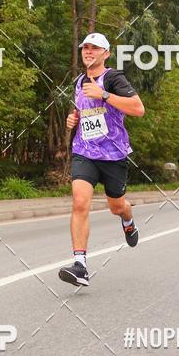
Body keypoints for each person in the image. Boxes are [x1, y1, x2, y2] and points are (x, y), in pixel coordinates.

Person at [58, 32, 145, 287]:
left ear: (105, 53)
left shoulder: (114, 78)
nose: (88, 52)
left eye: (94, 48)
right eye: (85, 48)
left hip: (114, 154)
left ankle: (127, 220)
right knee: (80, 202)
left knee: (116, 207)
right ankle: (80, 265)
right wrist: (72, 119)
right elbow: (80, 110)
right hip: (84, 151)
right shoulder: (78, 81)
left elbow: (138, 109)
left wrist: (103, 94)